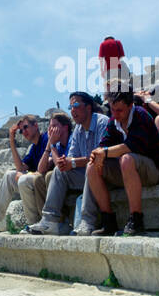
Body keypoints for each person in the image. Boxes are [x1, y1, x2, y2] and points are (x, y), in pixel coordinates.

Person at [85, 90, 159, 236]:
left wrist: (104, 152)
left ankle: (136, 219)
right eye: (112, 110)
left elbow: (131, 146)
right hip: (128, 171)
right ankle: (108, 220)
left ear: (130, 105)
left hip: (153, 171)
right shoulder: (113, 121)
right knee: (92, 166)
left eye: (119, 110)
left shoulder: (141, 115)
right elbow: (103, 146)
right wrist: (98, 155)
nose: (115, 114)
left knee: (126, 158)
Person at [27, 92, 111, 235]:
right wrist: (64, 163)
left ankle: (87, 222)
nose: (72, 110)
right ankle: (50, 220)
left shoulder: (102, 122)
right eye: (70, 107)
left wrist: (71, 163)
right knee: (58, 172)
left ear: (88, 107)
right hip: (86, 172)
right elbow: (72, 158)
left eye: (76, 105)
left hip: (105, 171)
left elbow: (99, 157)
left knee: (91, 168)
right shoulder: (78, 129)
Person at [0, 115, 48, 233]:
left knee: (23, 179)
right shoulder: (34, 147)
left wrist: (27, 174)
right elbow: (20, 167)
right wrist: (12, 141)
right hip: (35, 180)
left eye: (26, 127)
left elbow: (46, 168)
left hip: (47, 181)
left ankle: (33, 225)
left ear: (36, 125)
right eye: (21, 131)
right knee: (9, 175)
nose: (24, 132)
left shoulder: (46, 138)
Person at [16, 113, 74, 228]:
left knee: (49, 176)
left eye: (54, 126)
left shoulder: (72, 139)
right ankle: (45, 221)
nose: (51, 130)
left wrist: (51, 144)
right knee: (38, 179)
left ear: (65, 127)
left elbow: (60, 166)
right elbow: (41, 169)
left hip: (73, 175)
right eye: (50, 127)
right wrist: (50, 146)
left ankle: (57, 221)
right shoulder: (56, 143)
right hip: (60, 176)